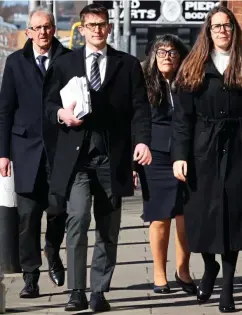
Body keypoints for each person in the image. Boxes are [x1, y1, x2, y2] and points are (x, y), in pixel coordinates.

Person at [43, 3, 152, 313]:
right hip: (77, 159)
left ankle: (98, 292)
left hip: (112, 158)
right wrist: (62, 114)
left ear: (109, 27)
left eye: (102, 24)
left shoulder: (128, 65)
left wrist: (142, 142)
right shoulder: (64, 64)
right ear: (82, 28)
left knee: (108, 228)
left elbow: (140, 109)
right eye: (91, 25)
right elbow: (48, 106)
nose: (97, 29)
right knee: (77, 219)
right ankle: (76, 290)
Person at [172, 6, 242, 313]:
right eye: (216, 26)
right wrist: (179, 156)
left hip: (239, 147)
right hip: (202, 149)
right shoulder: (194, 65)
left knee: (234, 217)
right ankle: (209, 267)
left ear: (234, 29)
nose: (222, 31)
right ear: (208, 30)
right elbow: (182, 119)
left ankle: (227, 288)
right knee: (203, 217)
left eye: (227, 25)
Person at [0, 7, 69, 298]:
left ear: (54, 29)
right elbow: (5, 111)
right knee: (27, 219)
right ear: (28, 32)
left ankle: (52, 252)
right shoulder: (16, 62)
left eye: (48, 27)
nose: (43, 32)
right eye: (37, 28)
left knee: (57, 211)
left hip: (59, 151)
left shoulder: (68, 60)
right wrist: (3, 153)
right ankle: (30, 276)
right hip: (25, 150)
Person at [138, 34, 196, 295]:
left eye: (172, 52)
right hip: (155, 155)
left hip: (187, 155)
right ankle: (159, 274)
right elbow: (135, 121)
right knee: (160, 216)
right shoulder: (143, 82)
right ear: (153, 56)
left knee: (185, 217)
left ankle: (183, 270)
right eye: (161, 52)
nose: (167, 57)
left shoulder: (189, 82)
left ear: (180, 56)